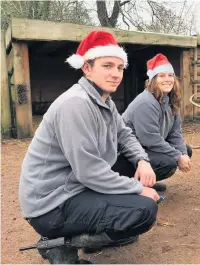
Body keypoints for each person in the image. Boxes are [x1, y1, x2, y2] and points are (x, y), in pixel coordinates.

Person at [18, 30, 160, 264]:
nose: (115, 74)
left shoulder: (104, 100)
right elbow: (89, 171)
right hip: (50, 204)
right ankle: (59, 246)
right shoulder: (76, 105)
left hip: (73, 186)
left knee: (131, 174)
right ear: (87, 68)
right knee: (143, 210)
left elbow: (124, 134)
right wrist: (136, 188)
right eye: (107, 66)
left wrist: (142, 160)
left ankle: (95, 235)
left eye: (119, 67)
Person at [117, 53, 192, 192]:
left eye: (170, 75)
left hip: (146, 147)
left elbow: (175, 133)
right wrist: (177, 156)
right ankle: (133, 185)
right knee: (168, 162)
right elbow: (150, 139)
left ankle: (147, 181)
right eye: (161, 76)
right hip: (127, 154)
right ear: (153, 80)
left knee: (186, 150)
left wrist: (183, 154)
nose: (168, 79)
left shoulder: (170, 100)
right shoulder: (145, 102)